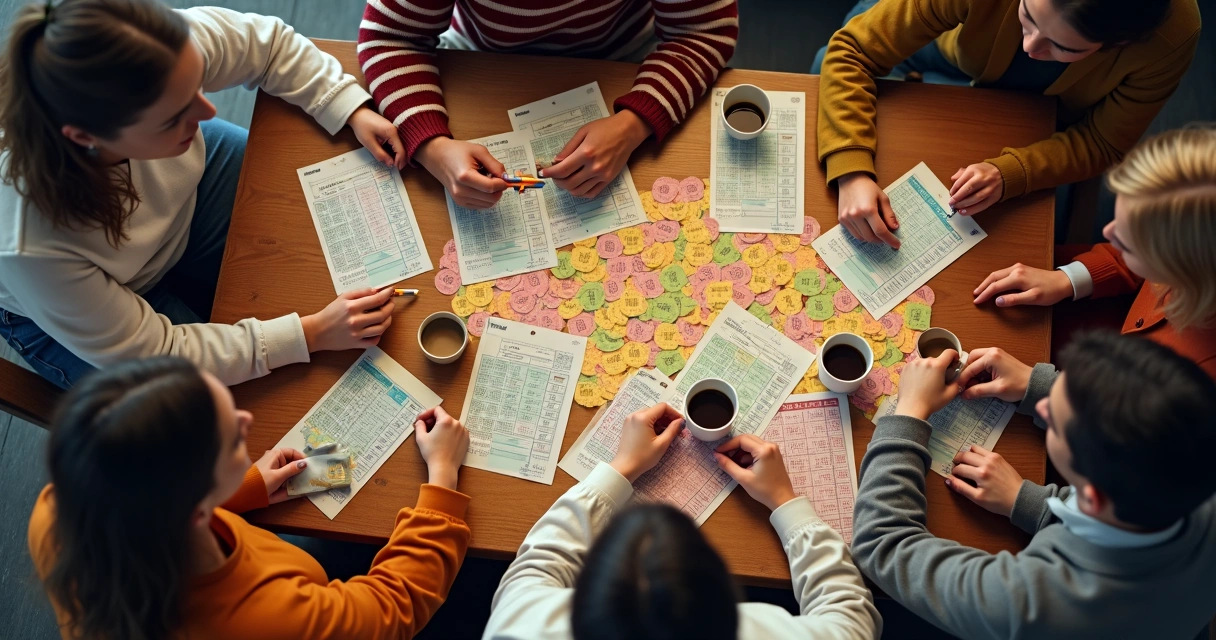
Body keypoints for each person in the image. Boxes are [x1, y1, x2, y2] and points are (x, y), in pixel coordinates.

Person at [0, 0, 409, 389]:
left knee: (302, 247)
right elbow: (160, 351)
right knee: (210, 409)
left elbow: (267, 46)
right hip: (71, 309)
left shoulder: (152, 50)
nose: (208, 112)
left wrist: (347, 106)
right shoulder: (28, 242)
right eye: (173, 116)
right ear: (86, 136)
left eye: (196, 86)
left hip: (189, 192)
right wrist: (311, 333)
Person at [28, 357, 471, 640]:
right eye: (232, 442)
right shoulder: (265, 619)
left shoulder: (58, 510)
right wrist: (442, 478)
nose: (246, 418)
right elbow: (391, 609)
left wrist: (241, 488)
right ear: (194, 511)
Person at [851, 331, 1216, 639]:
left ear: (1090, 498)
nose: (1042, 409)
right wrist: (1036, 386)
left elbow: (882, 543)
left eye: (1055, 420)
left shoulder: (1028, 603)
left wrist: (910, 411)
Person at [814, 0, 1200, 248]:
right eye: (1027, 15)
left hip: (1045, 111)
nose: (1030, 47)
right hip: (947, 45)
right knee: (823, 68)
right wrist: (851, 171)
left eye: (1064, 47)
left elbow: (1103, 142)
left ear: (1120, 44)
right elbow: (852, 50)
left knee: (1028, 232)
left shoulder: (1171, 38)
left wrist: (1011, 173)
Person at [483, 403, 882, 639]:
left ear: (579, 601)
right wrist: (783, 500)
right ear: (731, 601)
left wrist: (622, 467)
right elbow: (851, 617)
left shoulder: (519, 627)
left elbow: (536, 567)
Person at [357, 0, 739, 209]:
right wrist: (432, 146)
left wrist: (635, 122)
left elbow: (704, 31)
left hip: (623, 56)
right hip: (481, 58)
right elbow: (388, 37)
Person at [971, 125, 1216, 377]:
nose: (1108, 232)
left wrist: (1036, 384)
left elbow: (1127, 401)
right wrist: (1068, 278)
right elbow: (1132, 260)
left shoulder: (1201, 375)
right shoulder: (1195, 248)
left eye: (1131, 242)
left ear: (1181, 266)